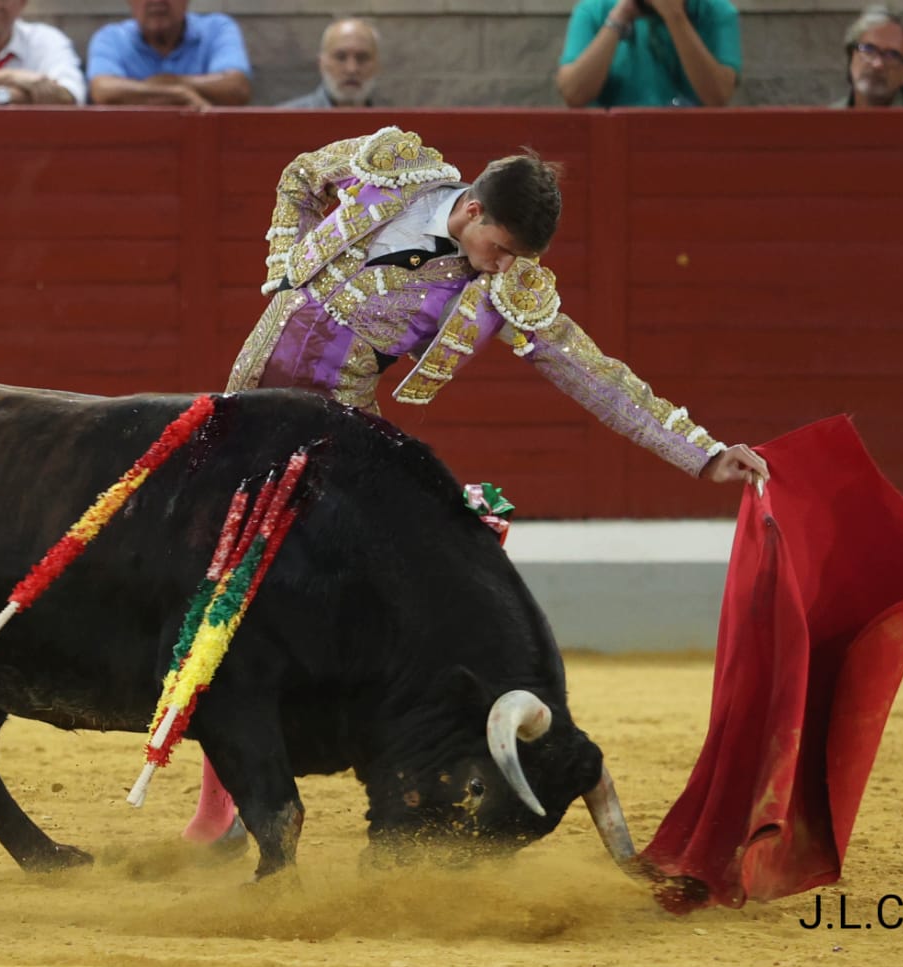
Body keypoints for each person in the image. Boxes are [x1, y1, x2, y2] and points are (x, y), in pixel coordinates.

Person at [183, 126, 770, 846]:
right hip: (242, 417)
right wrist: (286, 264)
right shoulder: (396, 169)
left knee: (305, 609)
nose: (508, 265)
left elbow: (593, 374)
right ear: (472, 211)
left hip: (336, 441)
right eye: (505, 247)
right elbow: (301, 174)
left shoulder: (500, 288)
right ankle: (227, 797)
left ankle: (301, 782)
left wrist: (703, 454)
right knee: (220, 594)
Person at [556, 0, 740, 108]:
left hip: (692, 142)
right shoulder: (595, 9)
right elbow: (574, 95)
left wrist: (675, 17)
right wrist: (617, 19)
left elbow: (718, 96)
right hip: (614, 140)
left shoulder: (715, 11)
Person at [86, 0, 251, 107]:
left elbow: (236, 88)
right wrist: (178, 94)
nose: (157, 2)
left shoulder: (218, 29)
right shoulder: (111, 38)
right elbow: (102, 91)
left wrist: (163, 84)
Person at [832, 6, 903, 108]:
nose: (877, 64)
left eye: (892, 55)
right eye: (869, 49)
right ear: (852, 56)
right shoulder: (825, 120)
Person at [278, 17, 380, 109]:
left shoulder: (390, 124)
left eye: (362, 58)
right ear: (321, 63)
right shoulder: (281, 120)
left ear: (376, 65)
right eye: (340, 57)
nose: (351, 69)